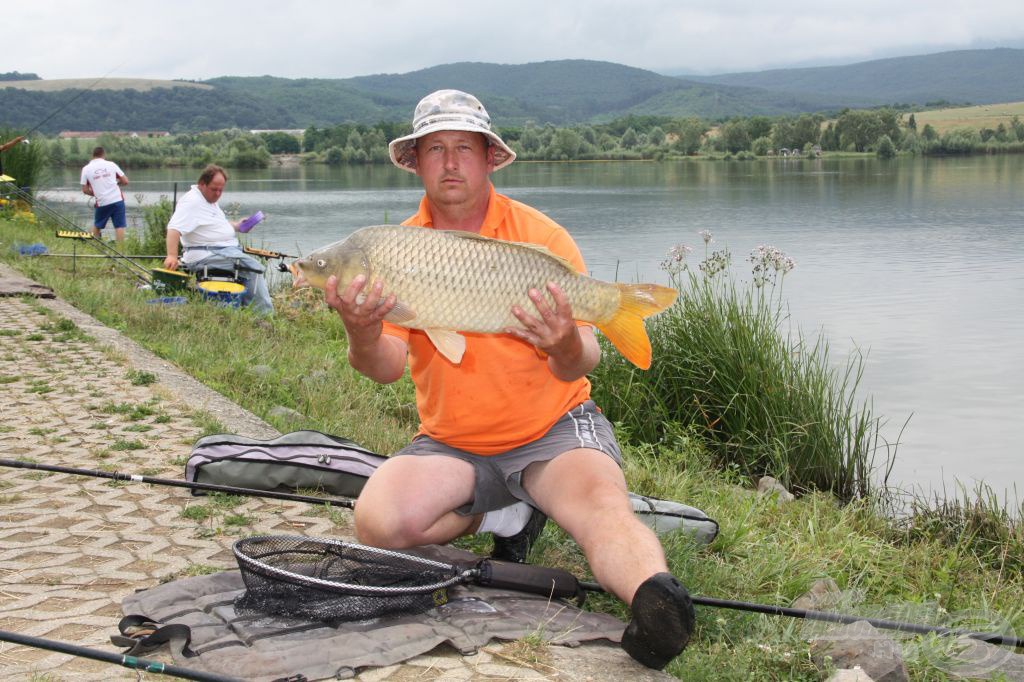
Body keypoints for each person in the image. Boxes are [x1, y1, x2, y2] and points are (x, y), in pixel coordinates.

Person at [321, 90, 695, 670]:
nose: (450, 163)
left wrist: (562, 340)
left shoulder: (538, 238)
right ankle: (501, 513)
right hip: (453, 442)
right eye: (435, 149)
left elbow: (582, 361)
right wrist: (361, 328)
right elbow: (384, 368)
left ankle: (656, 603)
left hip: (553, 430)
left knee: (602, 511)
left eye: (464, 148)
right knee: (378, 522)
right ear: (415, 161)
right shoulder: (393, 249)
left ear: (489, 158)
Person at [163, 165, 273, 314]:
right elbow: (173, 228)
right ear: (202, 184)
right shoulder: (192, 201)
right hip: (206, 254)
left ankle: (245, 309)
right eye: (214, 189)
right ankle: (263, 316)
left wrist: (238, 226)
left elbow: (215, 224)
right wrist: (171, 256)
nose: (218, 194)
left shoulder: (208, 200)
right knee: (253, 268)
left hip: (223, 252)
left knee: (249, 264)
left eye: (221, 190)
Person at [80, 146, 129, 243]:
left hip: (102, 202)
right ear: (103, 155)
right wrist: (116, 183)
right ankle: (121, 252)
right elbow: (126, 181)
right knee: (119, 226)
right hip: (117, 200)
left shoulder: (86, 169)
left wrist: (96, 194)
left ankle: (92, 246)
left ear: (93, 155)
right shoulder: (111, 164)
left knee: (97, 225)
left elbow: (85, 190)